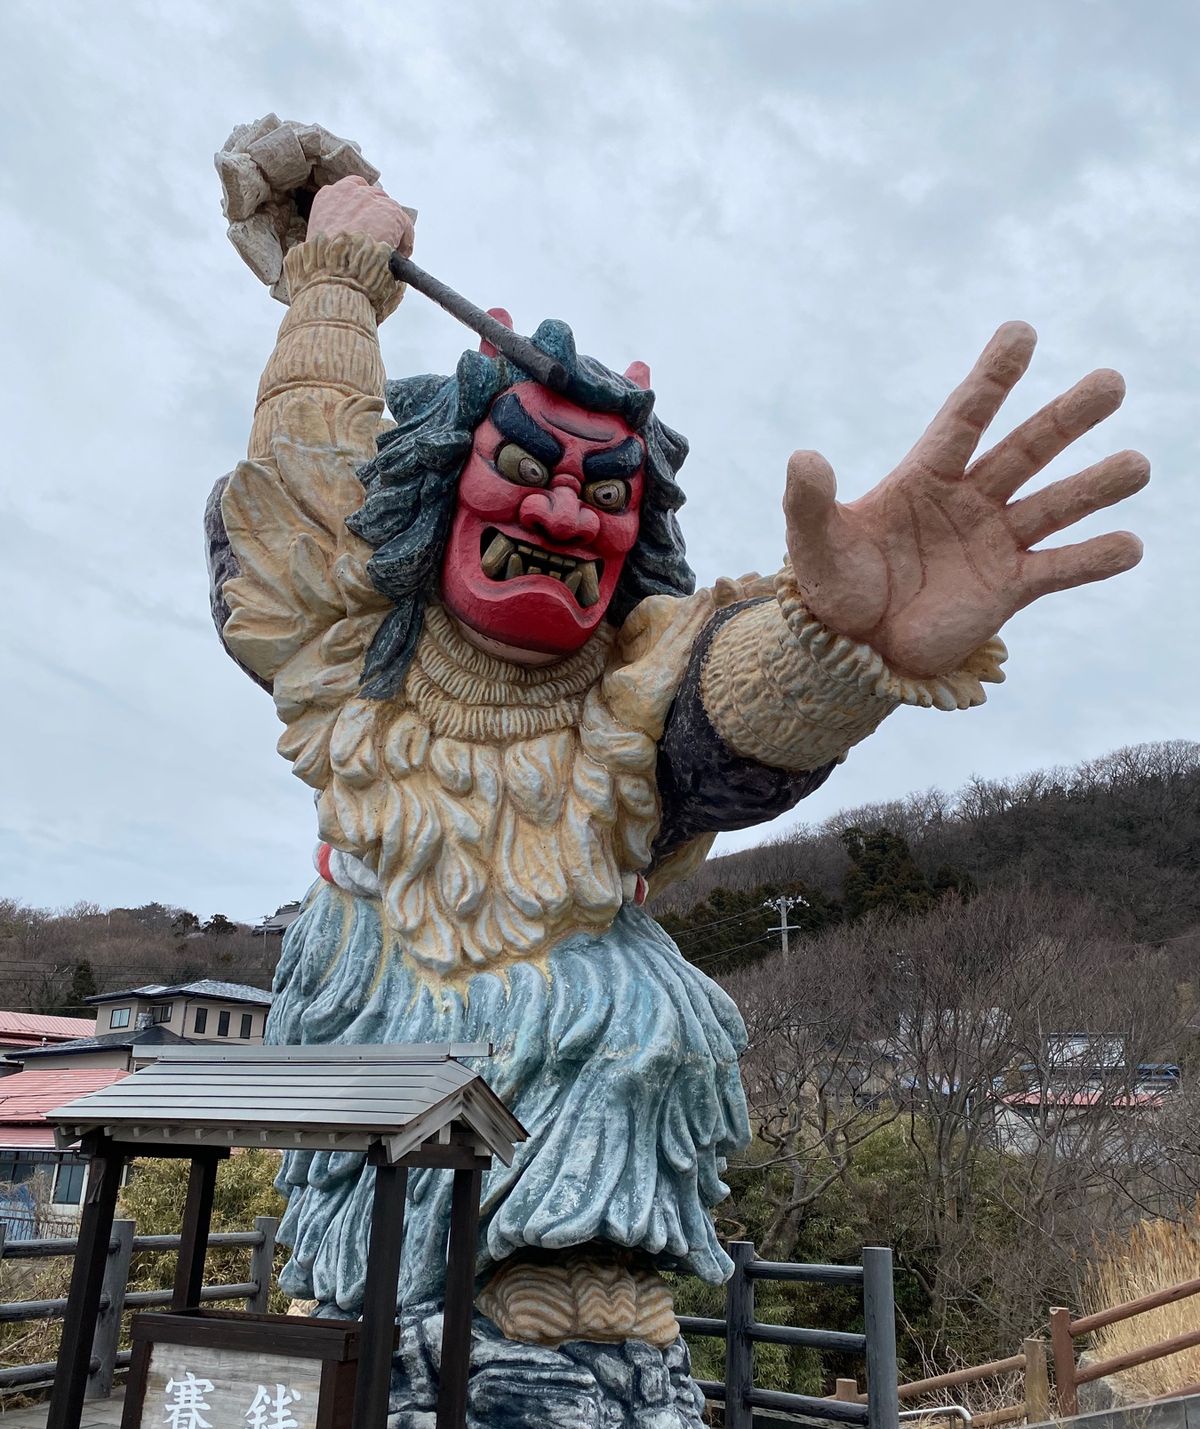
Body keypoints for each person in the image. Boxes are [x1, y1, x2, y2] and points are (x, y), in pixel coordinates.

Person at [208, 145, 1148, 1347]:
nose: (562, 513)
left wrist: (833, 640)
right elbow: (305, 473)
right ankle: (362, 1296)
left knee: (640, 1025)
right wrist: (334, 283)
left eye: (606, 496)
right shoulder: (354, 627)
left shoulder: (631, 670)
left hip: (567, 1002)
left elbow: (718, 707)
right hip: (380, 967)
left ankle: (569, 1271)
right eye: (526, 471)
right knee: (364, 1197)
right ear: (443, 485)